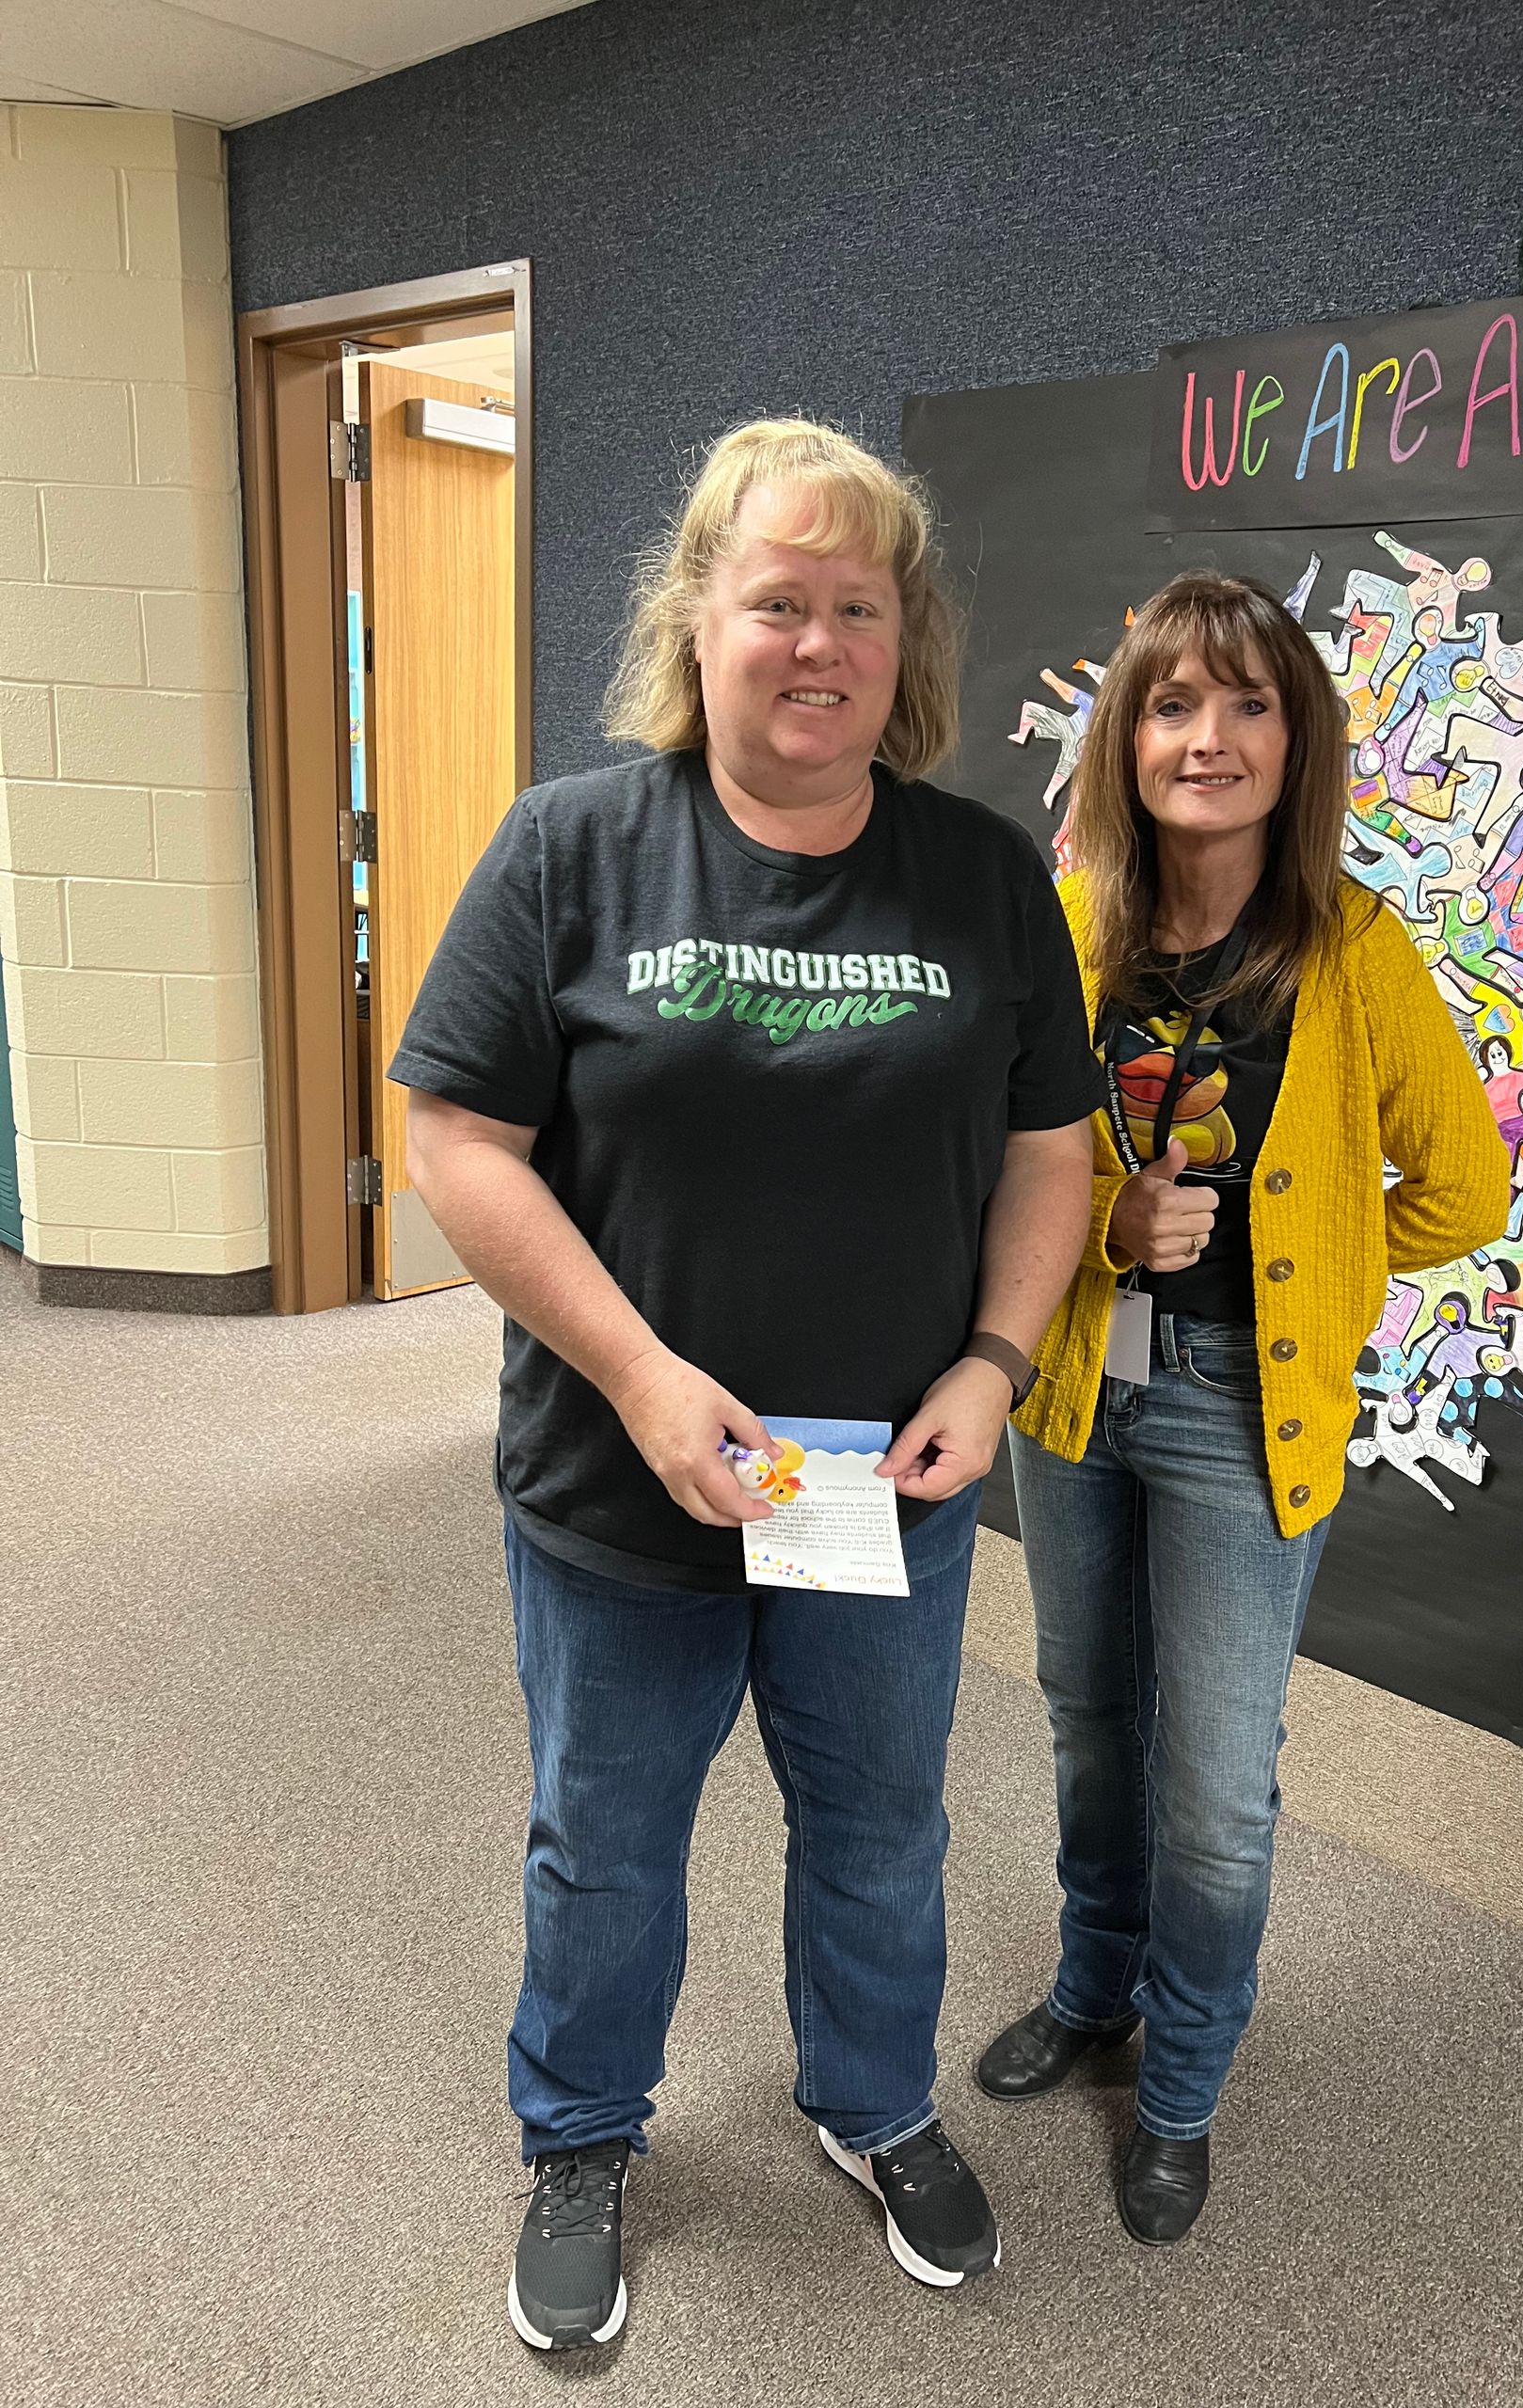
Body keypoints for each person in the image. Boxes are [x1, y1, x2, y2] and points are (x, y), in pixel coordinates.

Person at [391, 420, 1101, 2347]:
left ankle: (869, 2099)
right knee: (603, 1840)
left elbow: (1053, 1147)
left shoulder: (981, 876)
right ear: (696, 618)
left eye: (856, 603)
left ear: (906, 637)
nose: (817, 639)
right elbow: (454, 1136)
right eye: (776, 595)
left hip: (882, 1480)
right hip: (624, 1486)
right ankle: (582, 2134)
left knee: (879, 1823)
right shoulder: (571, 847)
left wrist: (995, 1354)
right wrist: (629, 1371)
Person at [978, 572, 1509, 2243]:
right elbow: (996, 1171)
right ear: (1124, 738)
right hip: (1072, 1393)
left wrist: (1305, 1284)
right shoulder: (1066, 935)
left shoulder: (1352, 950)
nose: (1207, 738)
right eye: (1171, 704)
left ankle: (1184, 2083)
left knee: (1216, 1777)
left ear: (1297, 738)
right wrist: (1102, 1244)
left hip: (1236, 1416)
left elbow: (1465, 1190)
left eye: (1247, 704)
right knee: (1083, 1712)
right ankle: (1094, 1987)